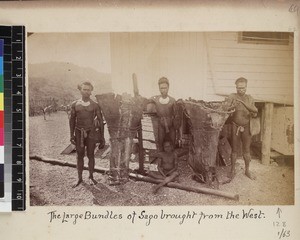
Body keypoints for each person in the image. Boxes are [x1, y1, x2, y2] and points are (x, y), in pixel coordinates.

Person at [69, 81, 105, 187]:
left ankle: (91, 177)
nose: (86, 91)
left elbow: (100, 121)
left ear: (91, 91)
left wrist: (102, 137)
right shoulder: (75, 104)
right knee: (79, 156)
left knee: (91, 155)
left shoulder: (95, 105)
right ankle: (79, 178)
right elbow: (72, 120)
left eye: (88, 90)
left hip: (91, 133)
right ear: (80, 90)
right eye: (84, 89)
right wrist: (71, 135)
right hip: (78, 132)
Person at [228, 77, 258, 180]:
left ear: (246, 87)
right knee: (234, 150)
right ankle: (232, 170)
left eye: (243, 88)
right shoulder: (232, 96)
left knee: (246, 150)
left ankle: (247, 170)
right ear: (236, 87)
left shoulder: (249, 98)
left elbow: (255, 111)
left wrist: (247, 107)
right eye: (239, 88)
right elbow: (225, 108)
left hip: (246, 127)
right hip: (235, 126)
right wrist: (232, 107)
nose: (241, 90)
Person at [149, 77, 179, 151]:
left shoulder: (172, 100)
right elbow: (147, 103)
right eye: (161, 88)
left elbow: (176, 115)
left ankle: (172, 161)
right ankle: (161, 161)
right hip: (161, 126)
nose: (163, 90)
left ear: (168, 88)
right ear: (159, 88)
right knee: (160, 144)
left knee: (173, 143)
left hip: (171, 126)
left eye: (165, 88)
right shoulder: (155, 99)